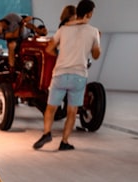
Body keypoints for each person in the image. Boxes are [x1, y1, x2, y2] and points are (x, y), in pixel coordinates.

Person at [33, 0, 101, 151]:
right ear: (89, 13)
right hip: (79, 75)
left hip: (60, 73)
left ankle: (46, 133)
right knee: (72, 112)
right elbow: (96, 55)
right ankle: (64, 141)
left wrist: (62, 55)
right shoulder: (93, 31)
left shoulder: (63, 29)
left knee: (50, 108)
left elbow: (49, 49)